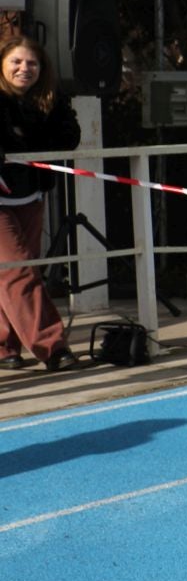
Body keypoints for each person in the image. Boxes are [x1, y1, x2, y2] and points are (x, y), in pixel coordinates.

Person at [0, 35, 81, 372]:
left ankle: (4, 347)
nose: (24, 68)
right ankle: (52, 345)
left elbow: (69, 138)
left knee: (14, 272)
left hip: (30, 194)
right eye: (16, 62)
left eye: (32, 63)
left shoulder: (51, 100)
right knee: (18, 272)